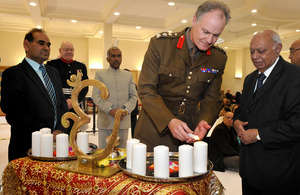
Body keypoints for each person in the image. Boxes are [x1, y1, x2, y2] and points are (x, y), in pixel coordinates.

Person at [134, 0, 231, 152]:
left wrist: (205, 121)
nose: (210, 40)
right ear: (194, 20)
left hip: (189, 136)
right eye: (206, 32)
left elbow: (212, 99)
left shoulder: (219, 58)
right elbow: (146, 90)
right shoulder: (161, 45)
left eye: (216, 35)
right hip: (154, 131)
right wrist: (169, 121)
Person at [234, 30, 300, 194]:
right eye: (251, 51)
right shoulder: (250, 79)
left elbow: (296, 124)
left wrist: (258, 134)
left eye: (261, 51)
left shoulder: (294, 76)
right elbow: (243, 111)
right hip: (249, 172)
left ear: (278, 49)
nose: (255, 56)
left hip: (278, 175)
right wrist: (236, 121)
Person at [1, 28, 68, 161]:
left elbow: (61, 104)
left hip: (56, 145)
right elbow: (14, 113)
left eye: (48, 45)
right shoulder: (14, 74)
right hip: (27, 146)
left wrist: (59, 129)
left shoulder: (53, 72)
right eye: (41, 43)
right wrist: (46, 133)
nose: (46, 48)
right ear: (27, 45)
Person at [92, 47, 138, 148]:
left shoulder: (128, 75)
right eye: (113, 56)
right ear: (108, 59)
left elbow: (134, 97)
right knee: (104, 154)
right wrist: (110, 110)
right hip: (105, 121)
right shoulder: (100, 74)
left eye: (119, 56)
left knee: (121, 154)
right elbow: (95, 96)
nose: (116, 58)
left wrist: (125, 110)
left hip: (123, 121)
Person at [47, 41, 88, 134]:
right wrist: (64, 101)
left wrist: (74, 100)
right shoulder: (52, 64)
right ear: (60, 51)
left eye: (71, 49)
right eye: (66, 49)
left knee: (74, 131)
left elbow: (85, 86)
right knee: (59, 132)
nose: (69, 52)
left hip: (76, 104)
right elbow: (50, 85)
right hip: (59, 103)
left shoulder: (81, 66)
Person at [124, 68, 139, 137]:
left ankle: (134, 139)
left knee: (134, 126)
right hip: (128, 109)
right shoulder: (133, 84)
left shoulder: (133, 84)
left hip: (132, 109)